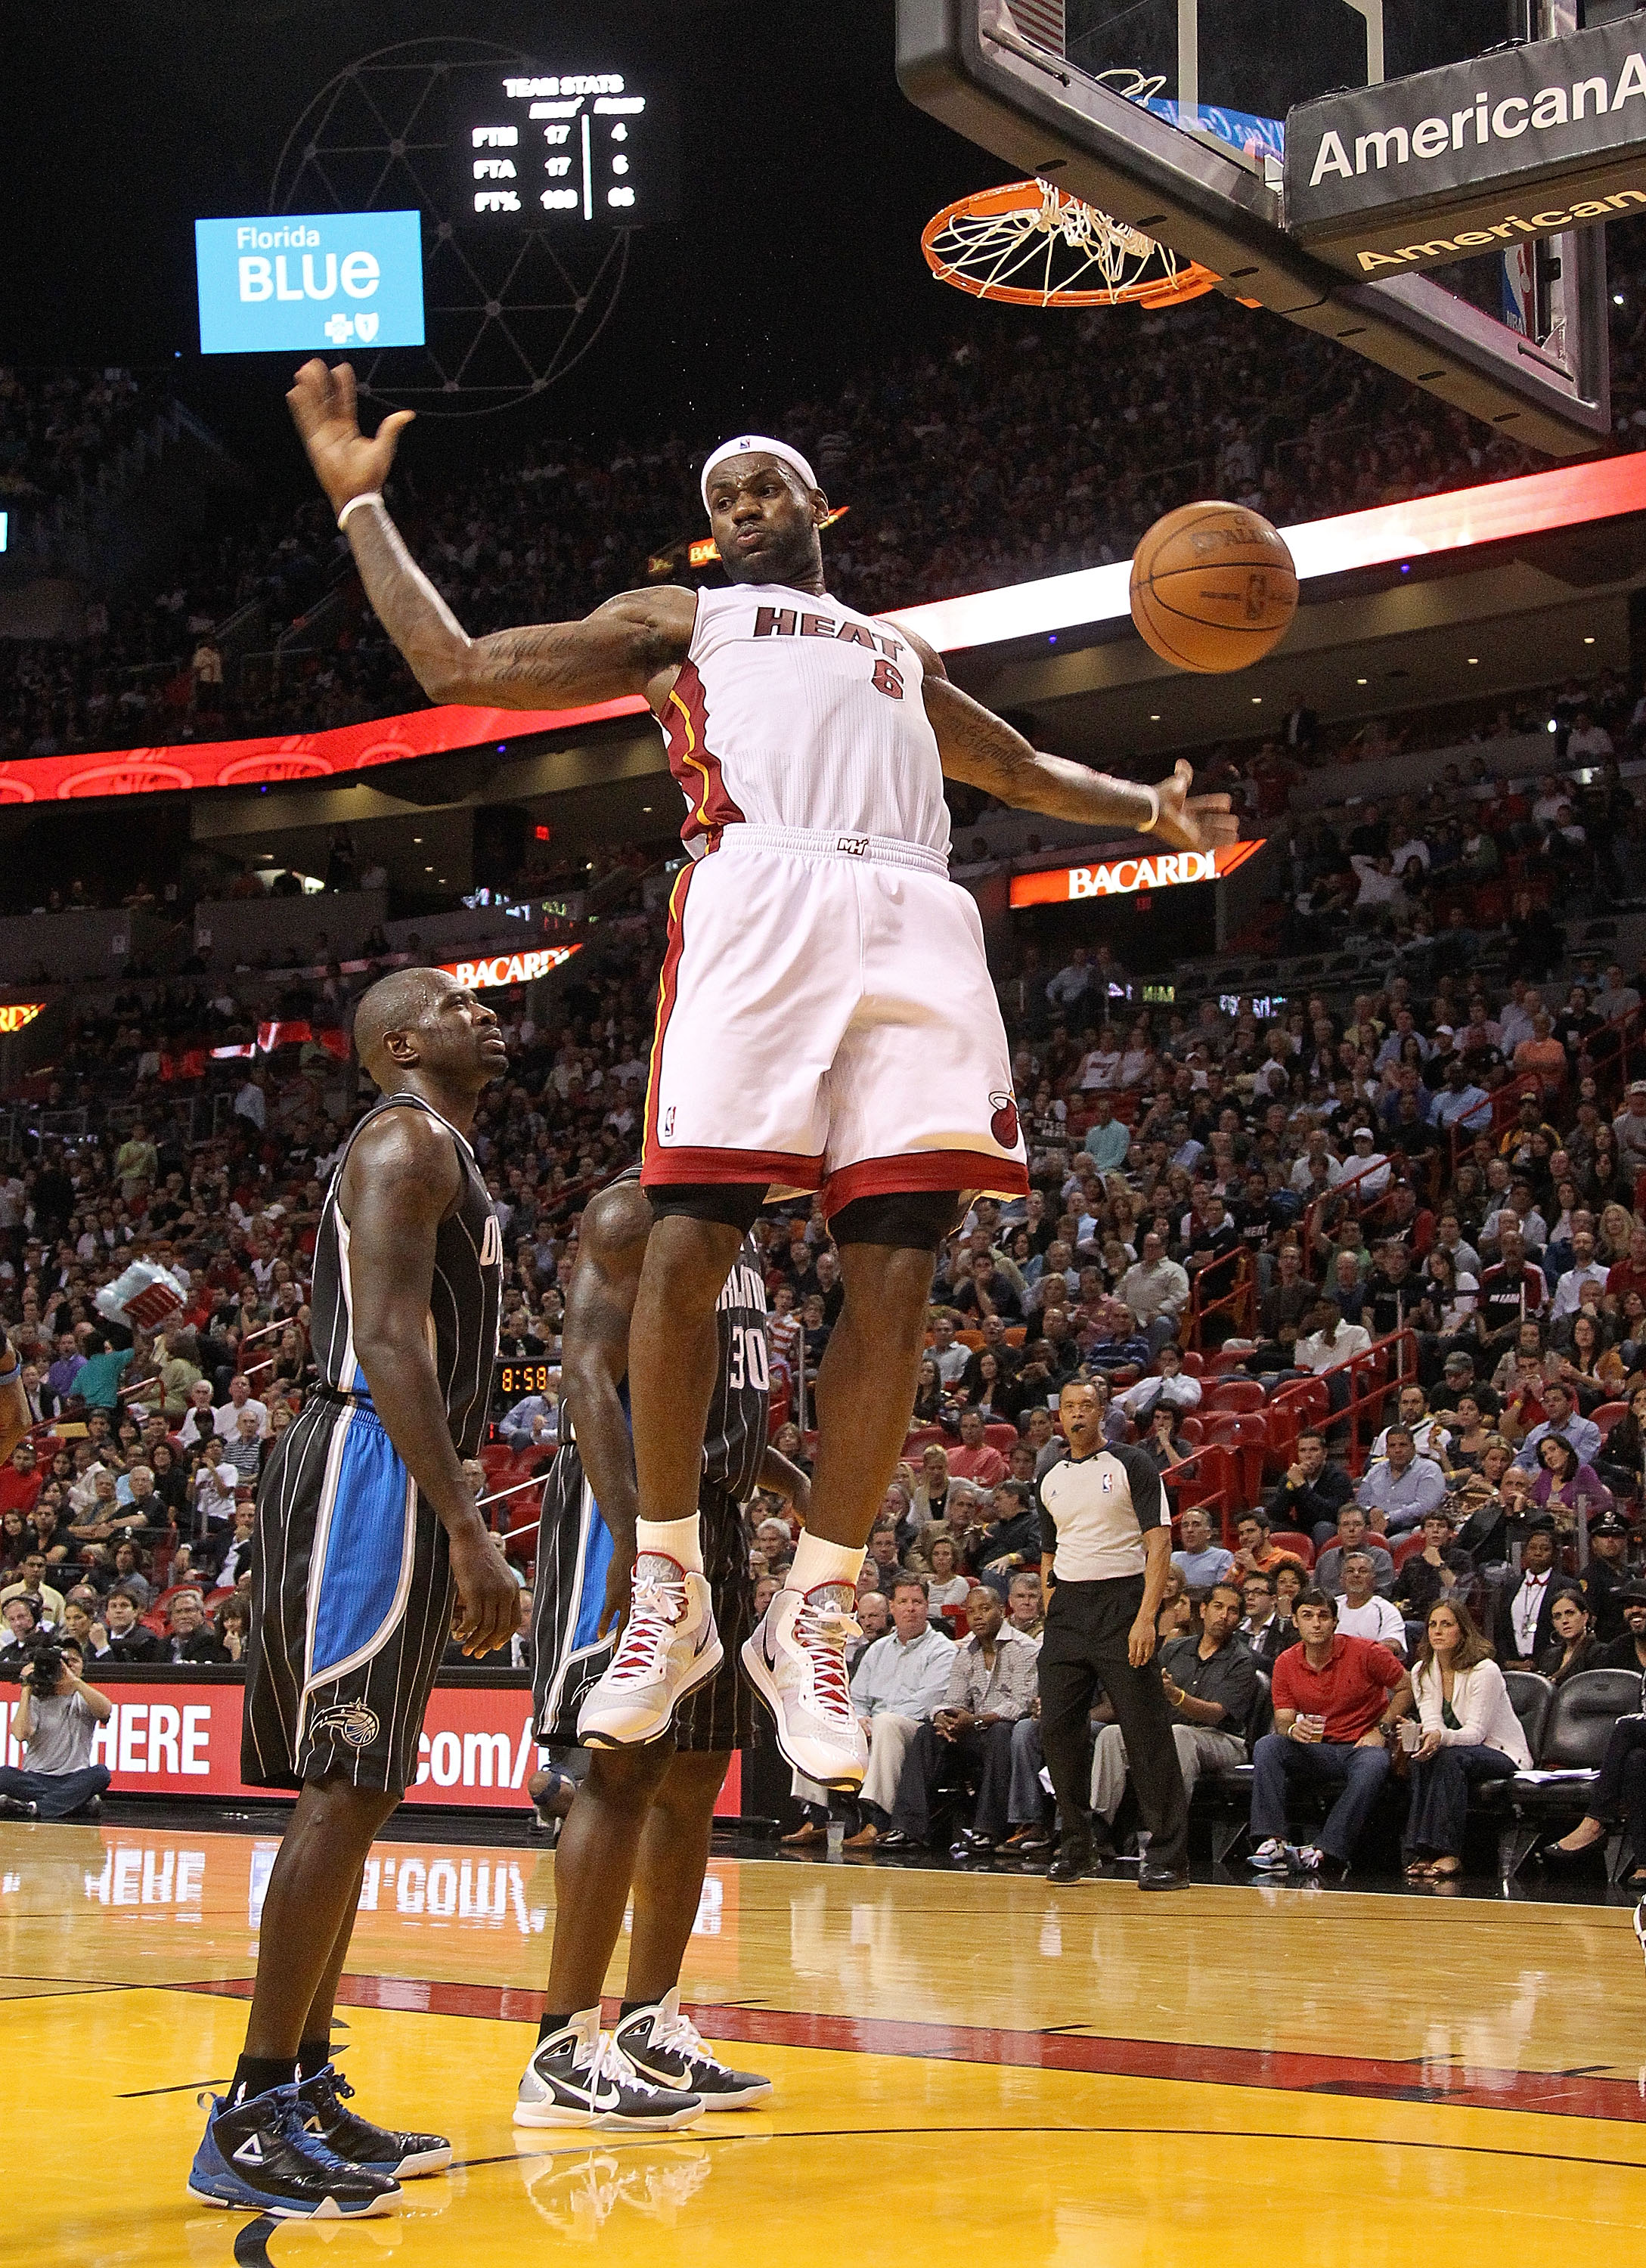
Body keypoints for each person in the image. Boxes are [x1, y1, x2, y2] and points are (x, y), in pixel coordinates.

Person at [287, 370, 1238, 1792]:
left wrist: (1144, 810)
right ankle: (664, 1594)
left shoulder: (896, 649)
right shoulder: (681, 622)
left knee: (900, 1267)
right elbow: (458, 666)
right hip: (763, 893)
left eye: (765, 484)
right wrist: (359, 498)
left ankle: (818, 1611)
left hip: (916, 913)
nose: (741, 504)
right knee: (691, 1233)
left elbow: (1019, 761)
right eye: (720, 494)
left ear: (816, 506)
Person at [190, 968, 519, 2221]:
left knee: (367, 1780)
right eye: (453, 1004)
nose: (483, 1015)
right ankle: (252, 2109)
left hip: (394, 1460)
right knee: (344, 1776)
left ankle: (306, 2080)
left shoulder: (444, 1148)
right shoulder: (400, 1138)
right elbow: (386, 1340)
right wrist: (465, 1524)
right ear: (396, 1043)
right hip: (365, 1464)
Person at [520, 1167, 804, 2128]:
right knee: (624, 1769)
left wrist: (795, 1482)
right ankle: (561, 2046)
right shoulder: (631, 1208)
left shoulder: (744, 1233)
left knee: (695, 1774)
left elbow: (710, 1404)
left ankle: (648, 2021)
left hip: (715, 1512)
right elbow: (589, 1375)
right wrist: (631, 1530)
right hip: (635, 1511)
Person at [1037, 1380, 1190, 1891]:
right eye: (1069, 1407)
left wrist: (1146, 1617)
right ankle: (1077, 1846)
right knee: (1056, 1730)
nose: (1077, 1414)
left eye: (1086, 1406)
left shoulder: (1132, 1464)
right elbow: (1048, 1552)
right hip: (1068, 1610)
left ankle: (1168, 1855)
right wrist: (1048, 1606)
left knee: (1144, 1730)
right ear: (1059, 1418)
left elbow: (1160, 1543)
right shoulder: (1049, 1476)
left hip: (1123, 1601)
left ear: (1102, 1413)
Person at [1246, 1591, 1412, 1877]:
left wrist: (1381, 1728)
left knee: (1375, 1764)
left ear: (1335, 1621)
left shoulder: (1367, 1651)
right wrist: (1293, 1729)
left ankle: (1325, 1850)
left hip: (1361, 1745)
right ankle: (1273, 1841)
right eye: (1308, 1616)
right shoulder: (1285, 1662)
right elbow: (1283, 1719)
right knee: (1268, 1745)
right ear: (1295, 1622)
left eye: (1323, 1616)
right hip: (1317, 1748)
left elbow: (1406, 1687)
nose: (1317, 1624)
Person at [1090, 1579, 1257, 1848]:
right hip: (1169, 1732)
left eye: (1233, 1611)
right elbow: (1148, 1694)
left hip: (1224, 1741)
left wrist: (1176, 1695)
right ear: (1203, 1610)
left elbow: (1216, 1715)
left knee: (1181, 1736)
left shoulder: (1241, 1660)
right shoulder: (1175, 1649)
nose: (1224, 1616)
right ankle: (1099, 1827)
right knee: (1112, 1735)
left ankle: (1166, 1832)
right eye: (1218, 1607)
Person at [885, 1584, 1040, 1856]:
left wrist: (977, 1720)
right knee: (927, 1734)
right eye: (971, 1612)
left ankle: (988, 1830)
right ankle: (908, 1828)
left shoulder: (1024, 1648)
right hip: (971, 1730)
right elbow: (954, 1697)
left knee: (1002, 1733)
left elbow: (1022, 1704)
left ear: (1001, 1611)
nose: (977, 1617)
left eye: (985, 1609)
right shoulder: (966, 1650)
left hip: (1004, 1731)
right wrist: (944, 1717)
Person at [1402, 1598, 1531, 1880]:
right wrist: (1430, 1740)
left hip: (1502, 1752)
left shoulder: (1484, 1670)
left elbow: (1475, 1733)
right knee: (1422, 1759)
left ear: (1463, 1631)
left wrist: (1439, 1738)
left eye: (1446, 1624)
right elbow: (1433, 1720)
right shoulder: (1422, 1670)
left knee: (1448, 1757)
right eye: (1433, 1625)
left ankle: (1449, 1852)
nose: (1437, 1631)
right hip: (1460, 1750)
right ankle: (1422, 1851)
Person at [840, 1574, 955, 1849]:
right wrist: (860, 1719)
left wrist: (876, 1721)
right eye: (903, 1601)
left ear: (927, 1606)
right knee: (828, 1722)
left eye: (917, 1601)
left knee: (887, 1723)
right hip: (876, 1723)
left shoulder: (942, 1649)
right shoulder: (876, 1650)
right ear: (892, 1607)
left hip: (916, 1728)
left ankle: (880, 1819)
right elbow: (857, 1696)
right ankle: (821, 1816)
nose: (910, 1608)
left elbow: (928, 1702)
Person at [0, 1637, 112, 1820]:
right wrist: (26, 1688)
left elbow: (106, 1711)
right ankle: (77, 1804)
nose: (66, 1667)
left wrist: (74, 1681)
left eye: (74, 1661)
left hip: (75, 1777)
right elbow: (20, 1734)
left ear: (83, 1666)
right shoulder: (36, 1698)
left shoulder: (84, 1696)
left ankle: (34, 1808)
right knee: (3, 1775)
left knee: (101, 1774)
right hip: (36, 1777)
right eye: (62, 1663)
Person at [1493, 1521, 1577, 1665]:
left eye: (1545, 1549)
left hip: (1552, 1664)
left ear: (1555, 1554)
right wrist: (1506, 1661)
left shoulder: (1567, 1586)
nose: (1538, 1553)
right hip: (1512, 1664)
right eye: (1533, 1548)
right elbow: (1501, 1630)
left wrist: (1541, 1662)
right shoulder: (1510, 1587)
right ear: (1525, 1552)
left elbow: (1570, 1632)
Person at [1263, 1430, 1355, 1544]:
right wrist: (1291, 1485)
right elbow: (1275, 1514)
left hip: (1331, 1528)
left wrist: (1301, 1485)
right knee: (1265, 1522)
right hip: (1302, 1528)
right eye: (1303, 1450)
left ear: (1324, 1453)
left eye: (1314, 1450)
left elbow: (1330, 1514)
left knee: (1323, 1528)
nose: (1308, 1455)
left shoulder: (1338, 1476)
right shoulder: (1292, 1476)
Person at [1356, 1425, 1449, 1535]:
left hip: (1411, 1529)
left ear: (1413, 1448)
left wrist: (1388, 1517)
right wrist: (1371, 1512)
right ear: (1387, 1450)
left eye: (1403, 1445)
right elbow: (1361, 1502)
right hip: (1373, 1526)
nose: (1398, 1450)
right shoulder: (1376, 1470)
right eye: (1392, 1446)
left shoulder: (1429, 1469)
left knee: (1393, 1542)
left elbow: (1425, 1507)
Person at [1334, 1551, 1409, 1657]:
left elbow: (1393, 1644)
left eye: (1363, 1571)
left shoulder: (1386, 1610)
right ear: (1341, 1579)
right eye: (1350, 1571)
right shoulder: (1332, 1606)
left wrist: (1356, 1657)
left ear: (1374, 1579)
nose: (1356, 1575)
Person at [1314, 1507, 1396, 1597]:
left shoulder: (1380, 1557)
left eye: (1357, 1524)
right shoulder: (1326, 1559)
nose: (1351, 1529)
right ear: (1339, 1530)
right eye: (1345, 1525)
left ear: (1367, 1529)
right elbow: (1315, 1594)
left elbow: (1382, 1594)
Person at [1538, 1588, 1603, 1684]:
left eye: (1570, 1613)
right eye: (1558, 1616)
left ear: (1585, 1616)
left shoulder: (1600, 1653)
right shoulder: (1549, 1655)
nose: (1564, 1621)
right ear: (1554, 1624)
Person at [1170, 1505, 1235, 1594]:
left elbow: (1222, 1593)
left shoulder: (1223, 1557)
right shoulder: (1172, 1558)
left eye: (1196, 1525)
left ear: (1208, 1533)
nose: (1190, 1530)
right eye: (1185, 1525)